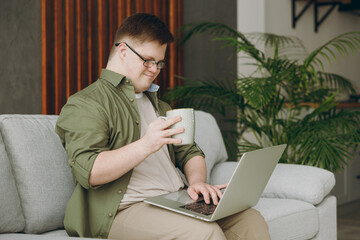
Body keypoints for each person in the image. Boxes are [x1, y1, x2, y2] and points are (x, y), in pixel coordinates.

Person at [55, 13, 271, 240]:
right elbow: (89, 172)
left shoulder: (160, 105)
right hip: (121, 210)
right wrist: (146, 144)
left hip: (171, 201)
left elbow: (190, 151)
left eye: (159, 63)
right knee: (205, 233)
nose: (154, 69)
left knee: (249, 219)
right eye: (147, 60)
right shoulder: (87, 103)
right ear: (123, 51)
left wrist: (197, 183)